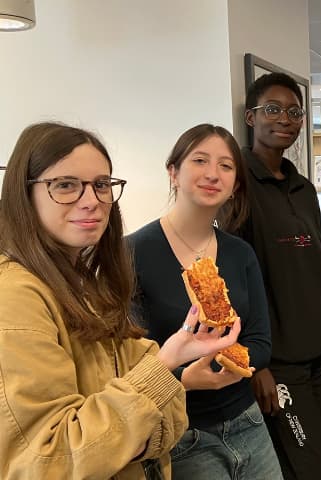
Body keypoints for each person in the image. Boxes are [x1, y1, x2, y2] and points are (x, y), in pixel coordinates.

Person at [0, 122, 241, 479]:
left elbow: (168, 422)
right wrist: (165, 366)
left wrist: (128, 437)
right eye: (65, 185)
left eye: (101, 185)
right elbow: (51, 458)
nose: (92, 201)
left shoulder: (85, 283)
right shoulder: (15, 295)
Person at [129, 124, 282, 478]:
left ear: (235, 186)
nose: (213, 174)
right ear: (174, 173)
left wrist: (225, 363)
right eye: (200, 160)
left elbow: (260, 343)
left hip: (247, 419)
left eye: (226, 166)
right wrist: (186, 377)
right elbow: (131, 359)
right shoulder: (133, 253)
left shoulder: (239, 253)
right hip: (181, 429)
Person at [233, 71, 321, 479]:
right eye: (273, 110)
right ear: (251, 118)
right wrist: (254, 364)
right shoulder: (238, 186)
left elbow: (317, 271)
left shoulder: (300, 187)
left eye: (294, 111)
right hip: (278, 365)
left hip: (320, 355)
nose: (286, 119)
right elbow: (235, 282)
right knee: (310, 467)